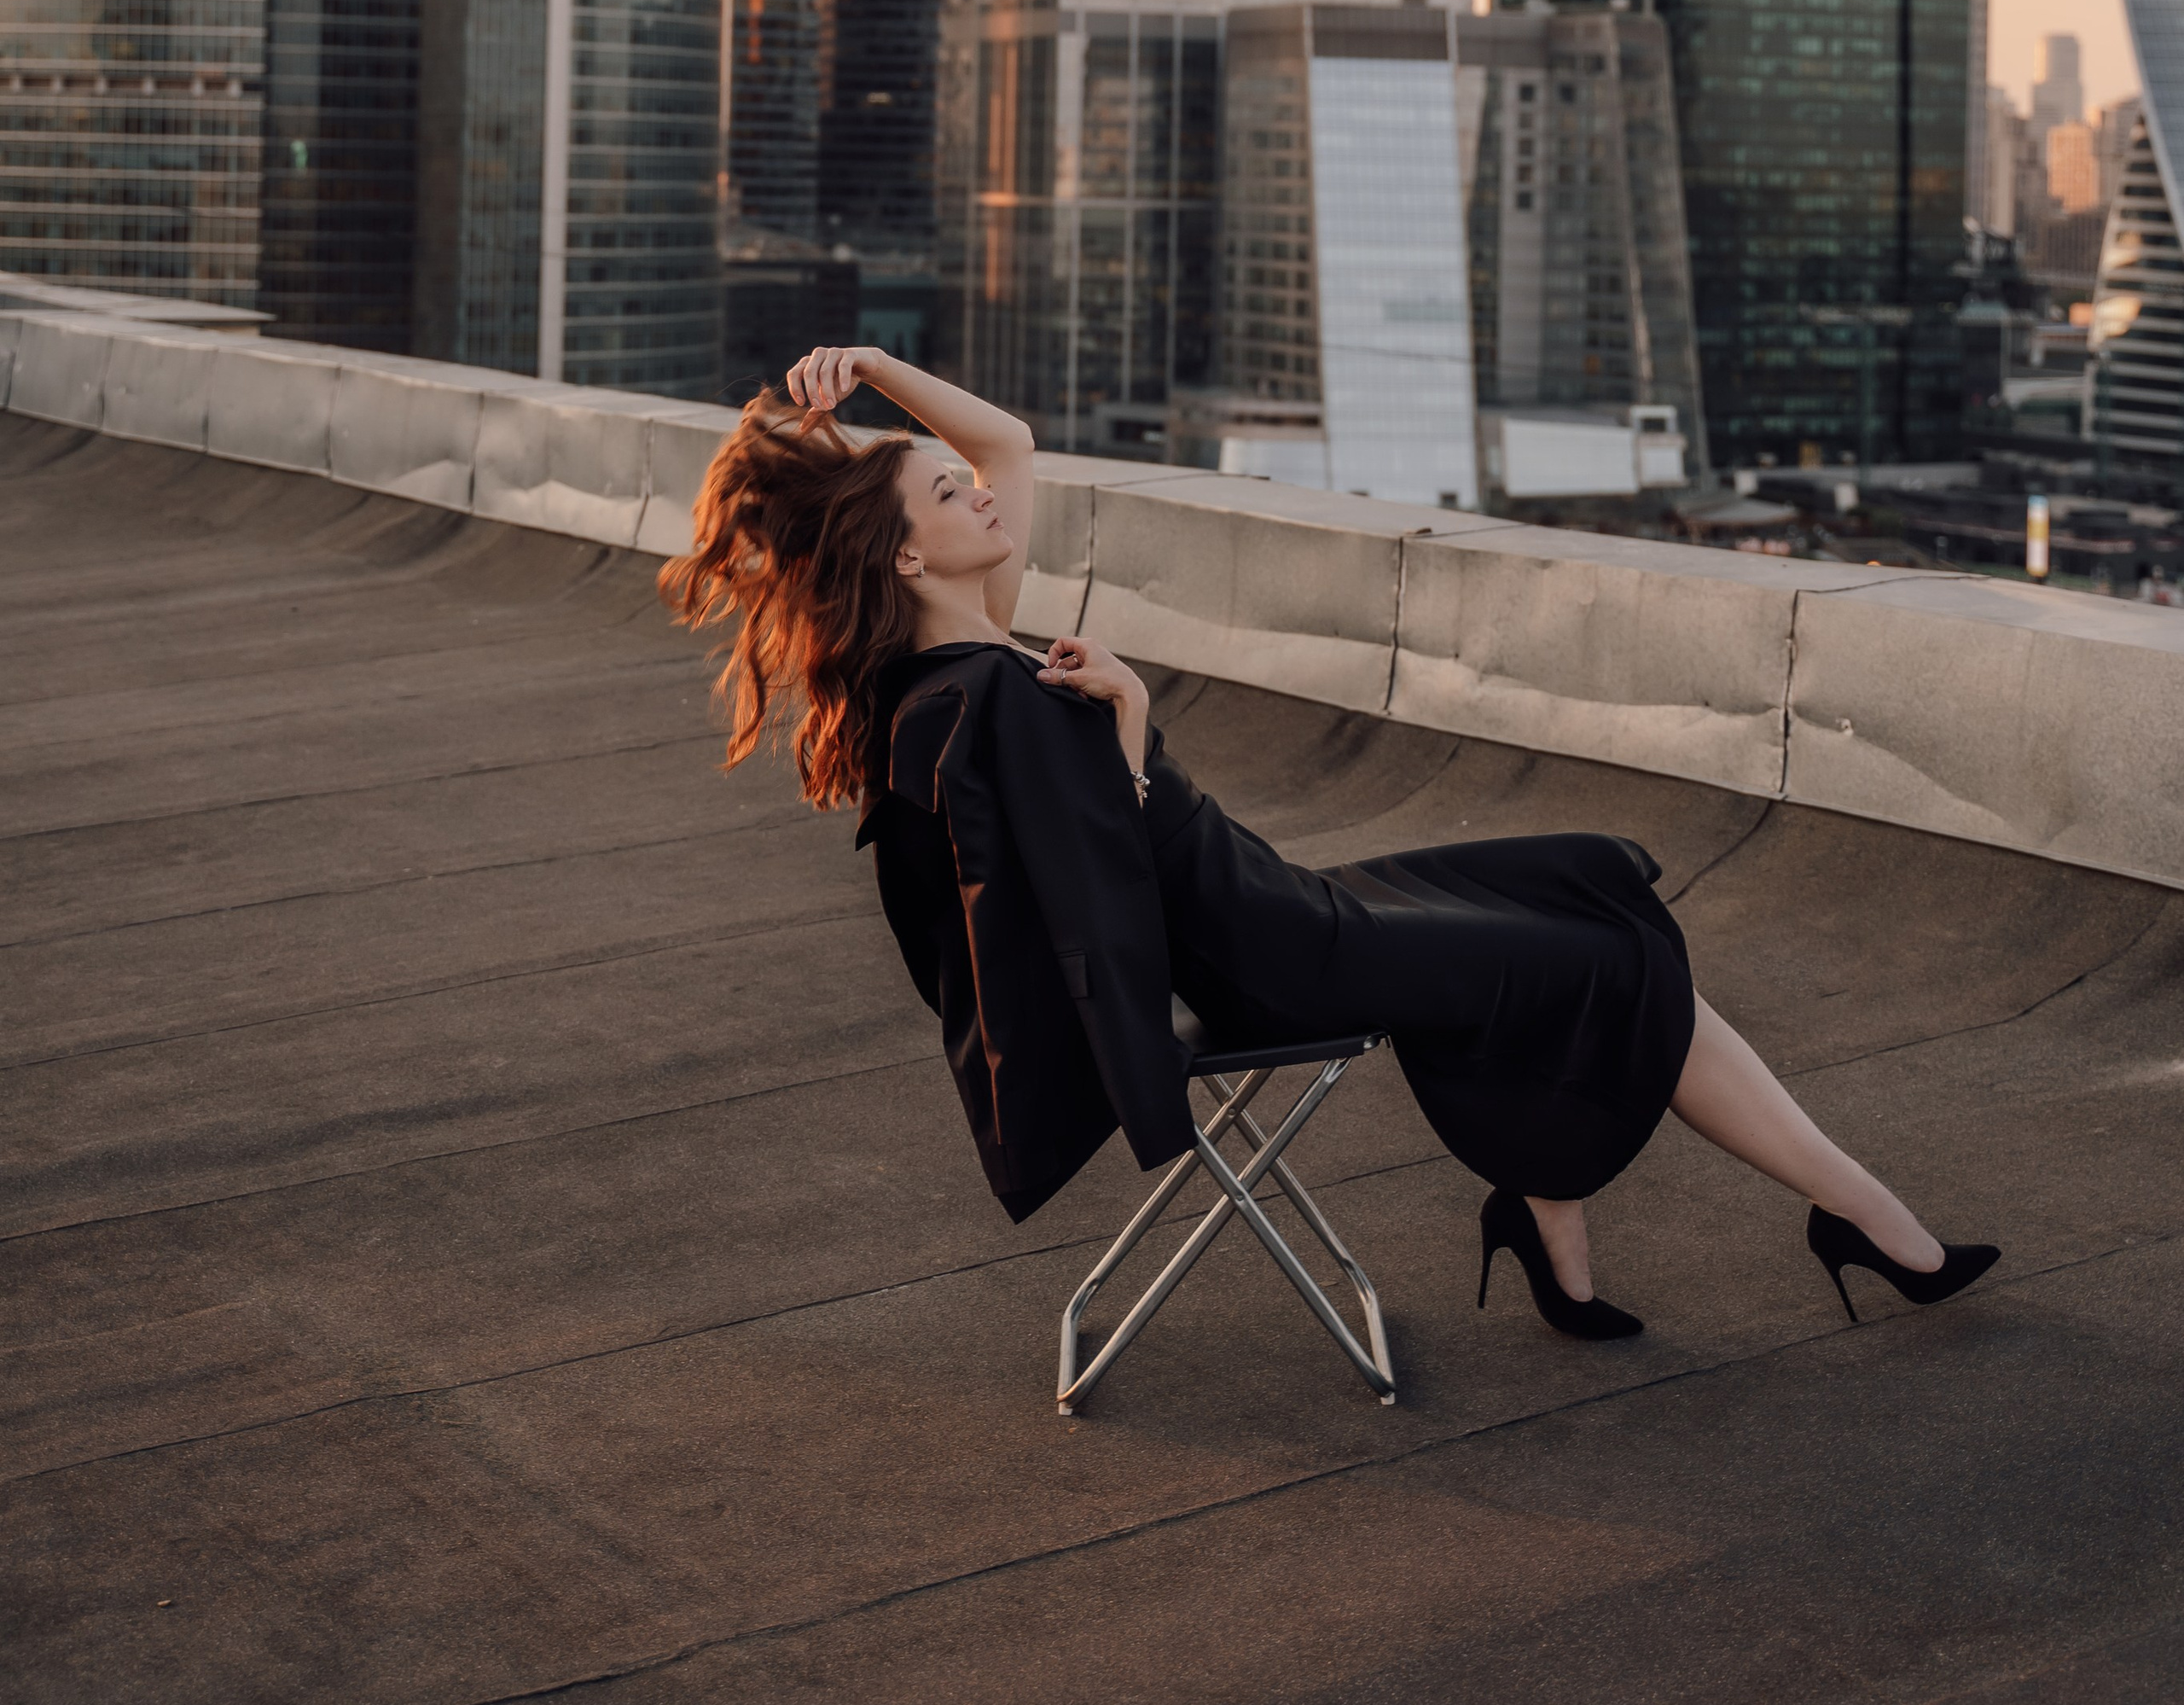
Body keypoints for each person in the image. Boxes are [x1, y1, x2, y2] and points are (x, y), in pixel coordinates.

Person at [665, 345, 1998, 1340]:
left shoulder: (945, 657)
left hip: (1268, 902)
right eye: (953, 499)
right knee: (1619, 958)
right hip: (1285, 954)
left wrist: (883, 375)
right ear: (909, 559)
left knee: (1572, 884)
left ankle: (1557, 1240)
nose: (989, 499)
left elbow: (1008, 442)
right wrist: (1131, 725)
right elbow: (1101, 896)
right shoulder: (994, 695)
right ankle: (1873, 1223)